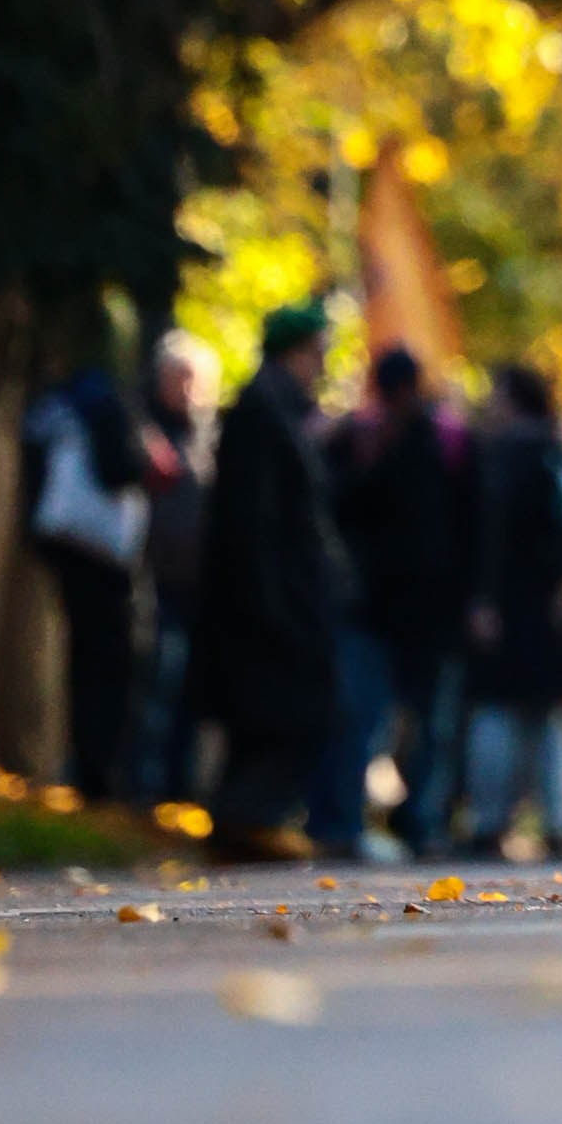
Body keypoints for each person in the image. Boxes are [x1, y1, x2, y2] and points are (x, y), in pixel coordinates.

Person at [189, 299, 349, 859]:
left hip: (281, 594)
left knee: (271, 716)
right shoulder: (263, 411)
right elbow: (254, 519)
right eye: (319, 353)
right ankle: (244, 818)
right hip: (271, 600)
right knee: (292, 712)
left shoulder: (280, 408)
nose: (325, 364)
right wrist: (273, 603)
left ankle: (244, 823)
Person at [315, 344, 471, 856]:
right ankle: (356, 823)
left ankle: (410, 822)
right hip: (386, 606)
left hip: (409, 607)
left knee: (408, 723)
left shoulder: (437, 439)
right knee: (374, 720)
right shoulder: (367, 438)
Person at [457, 363, 562, 854]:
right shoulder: (559, 453)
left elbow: (486, 536)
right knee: (551, 720)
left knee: (496, 717)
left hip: (506, 607)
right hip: (552, 605)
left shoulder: (497, 457)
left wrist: (483, 599)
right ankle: (559, 824)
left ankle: (491, 822)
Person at [20, 344, 150, 801]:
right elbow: (119, 469)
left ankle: (89, 766)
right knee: (107, 664)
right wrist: (145, 459)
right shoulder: (106, 404)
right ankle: (100, 773)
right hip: (98, 551)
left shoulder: (53, 408)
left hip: (63, 544)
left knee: (83, 659)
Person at [133, 328, 219, 803]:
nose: (186, 390)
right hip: (154, 581)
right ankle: (145, 789)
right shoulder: (145, 430)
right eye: (177, 378)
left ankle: (178, 789)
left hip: (198, 588)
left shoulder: (210, 437)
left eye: (193, 379)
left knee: (186, 696)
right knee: (157, 690)